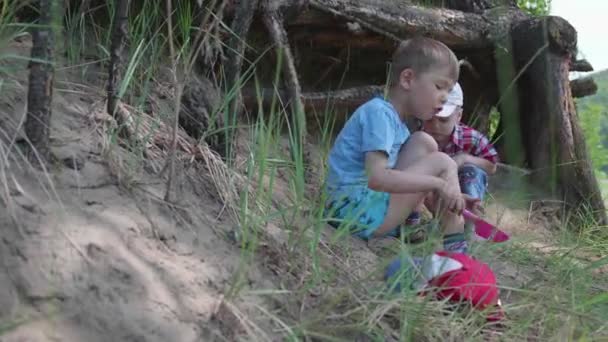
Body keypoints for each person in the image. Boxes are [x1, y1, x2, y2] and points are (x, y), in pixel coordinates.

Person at [324, 37, 473, 254]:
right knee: (442, 161)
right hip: (352, 213)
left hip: (360, 209)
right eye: (439, 86)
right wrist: (440, 183)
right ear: (408, 79)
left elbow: (405, 179)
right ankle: (456, 249)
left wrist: (444, 196)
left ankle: (417, 222)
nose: (443, 99)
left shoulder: (398, 125)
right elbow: (377, 178)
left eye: (448, 92)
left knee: (424, 142)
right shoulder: (379, 114)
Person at [422, 82, 499, 207]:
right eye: (430, 119)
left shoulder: (472, 138)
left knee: (472, 171)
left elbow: (492, 166)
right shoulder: (418, 137)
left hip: (463, 185)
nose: (435, 126)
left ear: (458, 116)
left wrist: (465, 158)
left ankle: (471, 213)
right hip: (431, 187)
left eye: (443, 120)